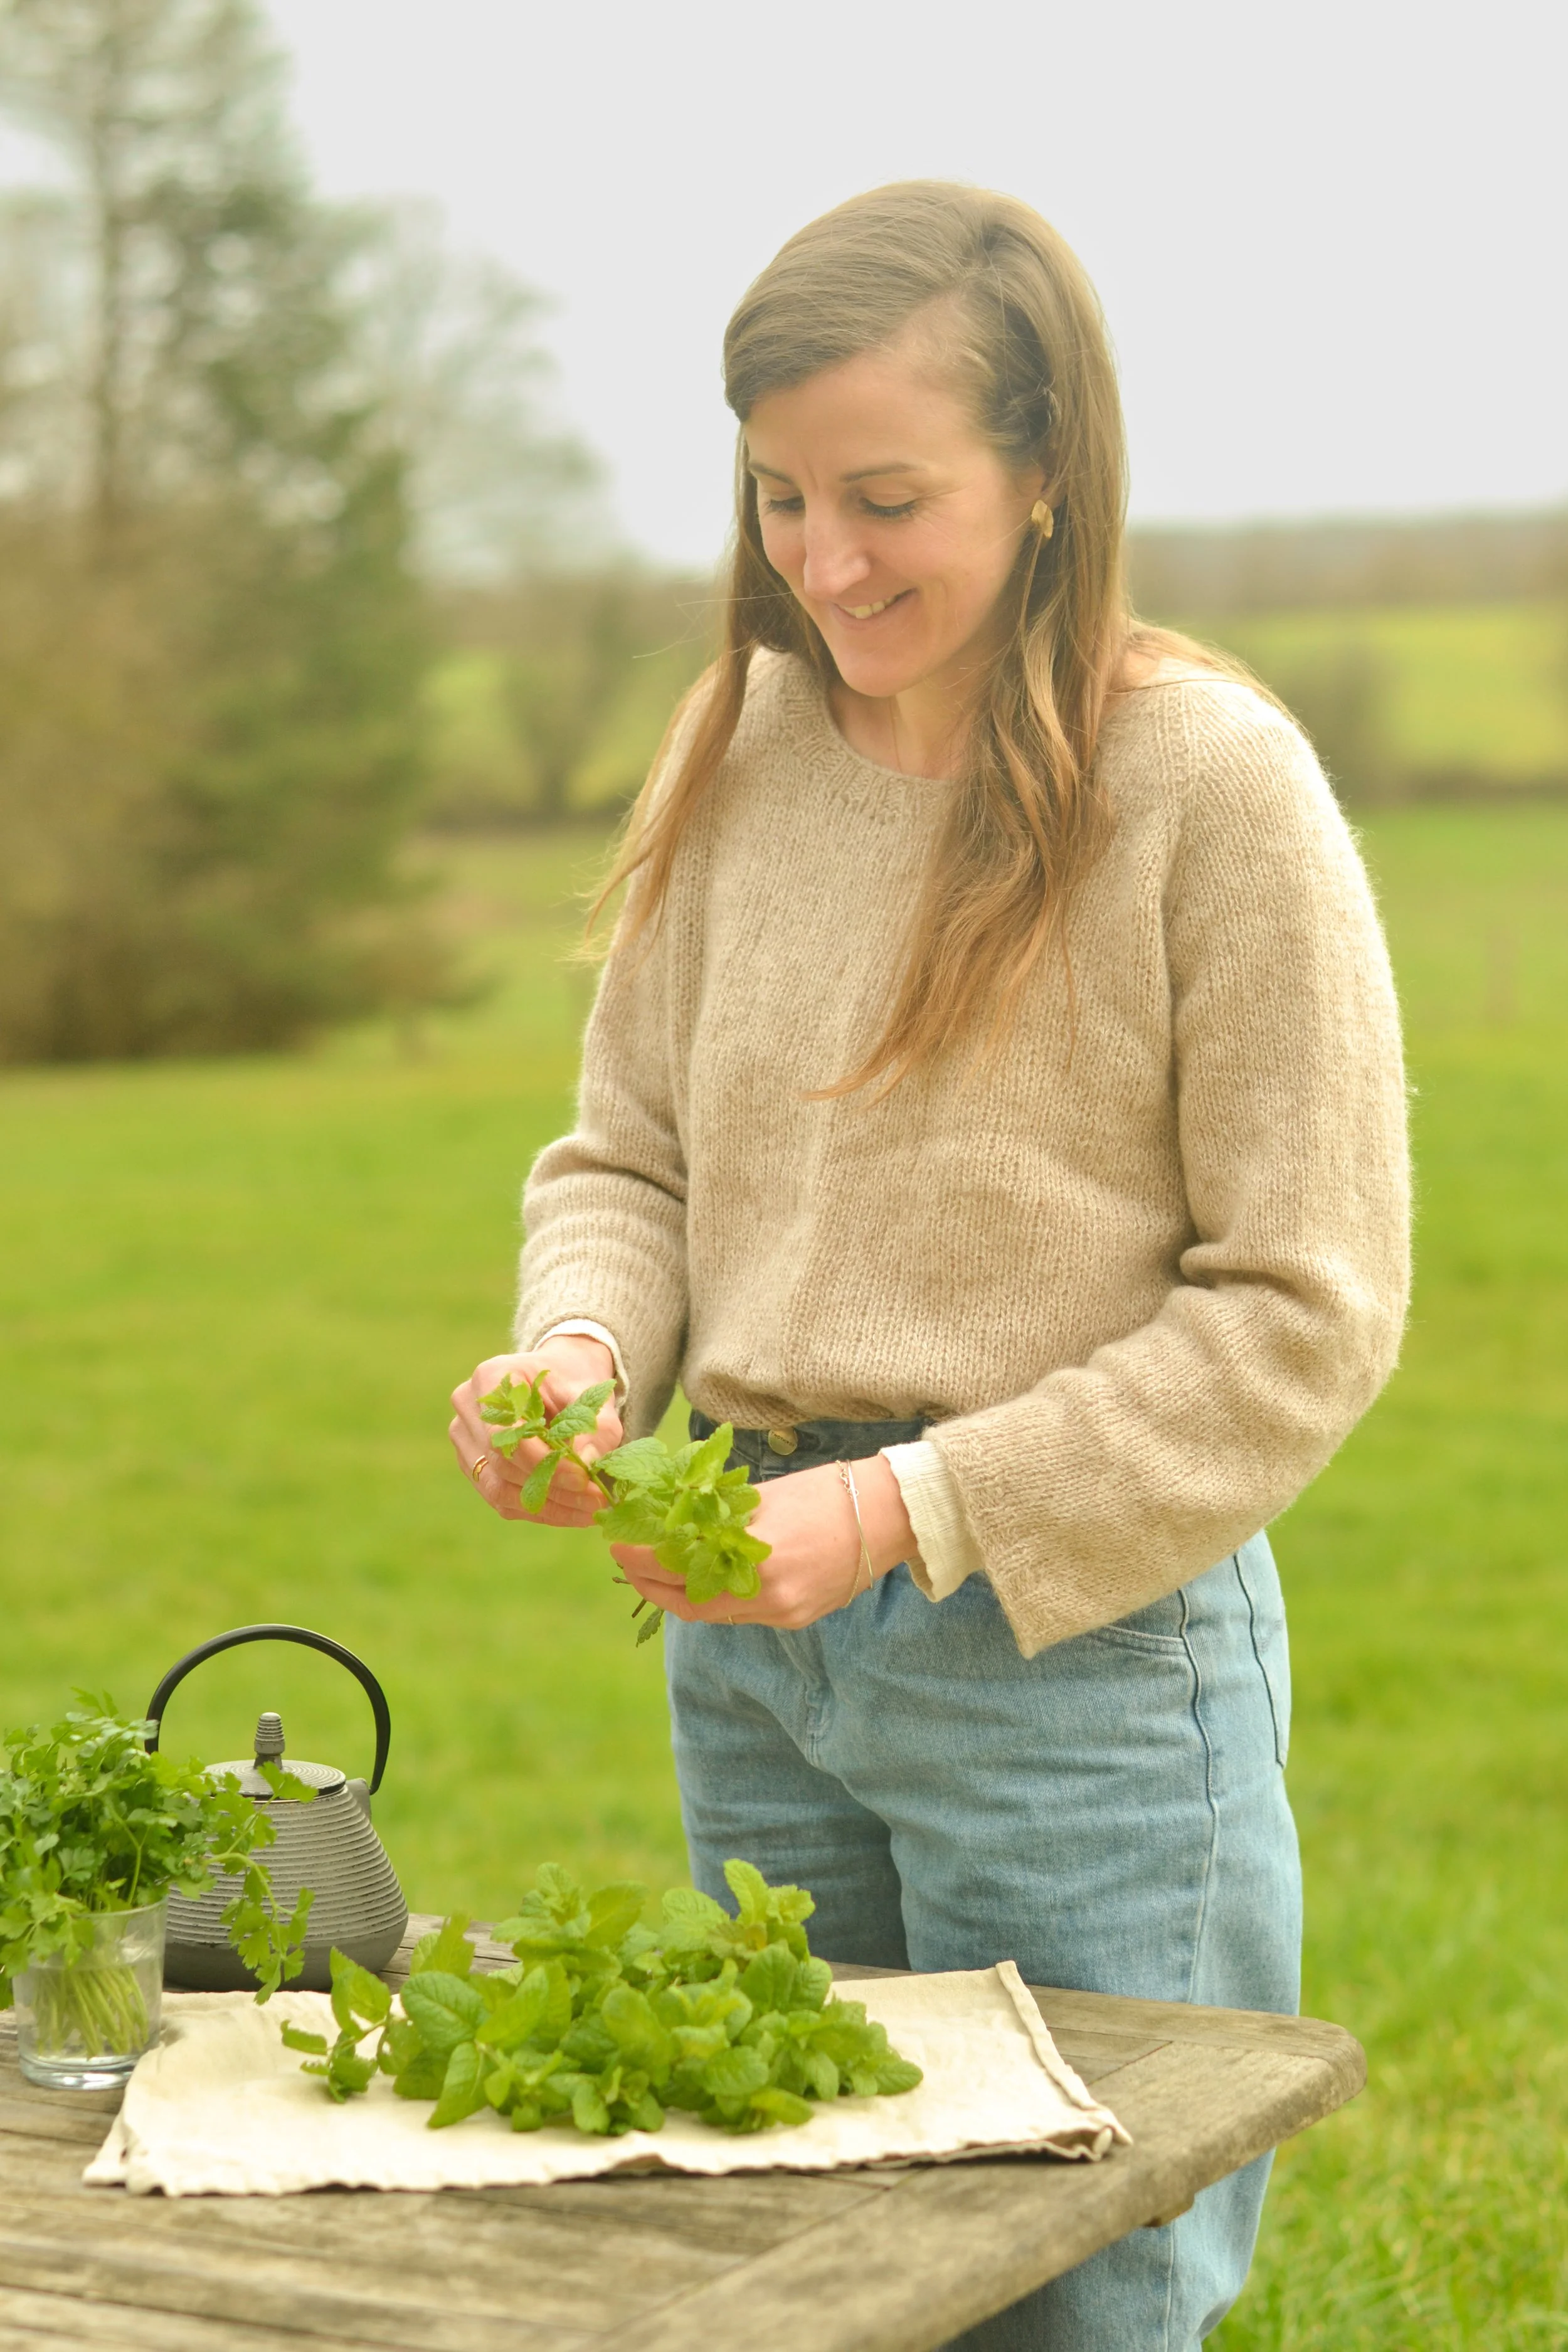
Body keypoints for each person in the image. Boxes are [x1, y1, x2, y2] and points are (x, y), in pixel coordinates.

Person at [448, 181, 1409, 2350]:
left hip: (1068, 1671)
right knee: (828, 2272)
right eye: (780, 494)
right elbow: (629, 1153)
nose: (822, 559)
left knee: (1076, 2294)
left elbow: (1304, 1307)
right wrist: (583, 1354)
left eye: (888, 496)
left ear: (1048, 467)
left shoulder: (1208, 784)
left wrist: (895, 1510)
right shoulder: (736, 744)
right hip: (752, 1654)